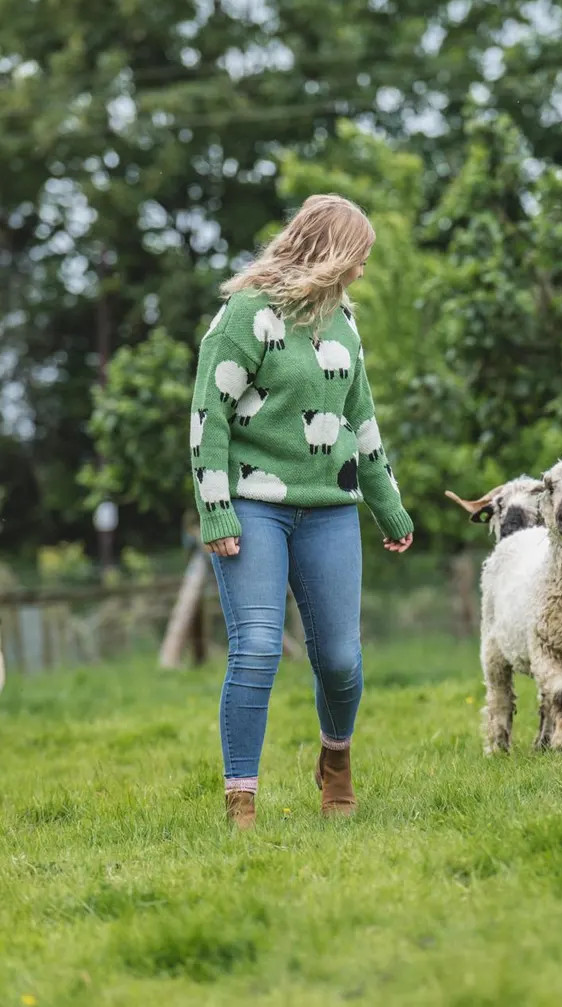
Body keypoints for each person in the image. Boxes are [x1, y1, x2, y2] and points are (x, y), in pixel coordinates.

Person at [189, 194, 414, 828]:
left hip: (331, 509)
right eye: (359, 258)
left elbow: (360, 421)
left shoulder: (343, 322)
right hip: (253, 505)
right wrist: (216, 511)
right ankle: (242, 801)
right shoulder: (246, 317)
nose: (363, 272)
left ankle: (335, 762)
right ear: (333, 252)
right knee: (257, 649)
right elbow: (209, 422)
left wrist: (388, 507)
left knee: (340, 659)